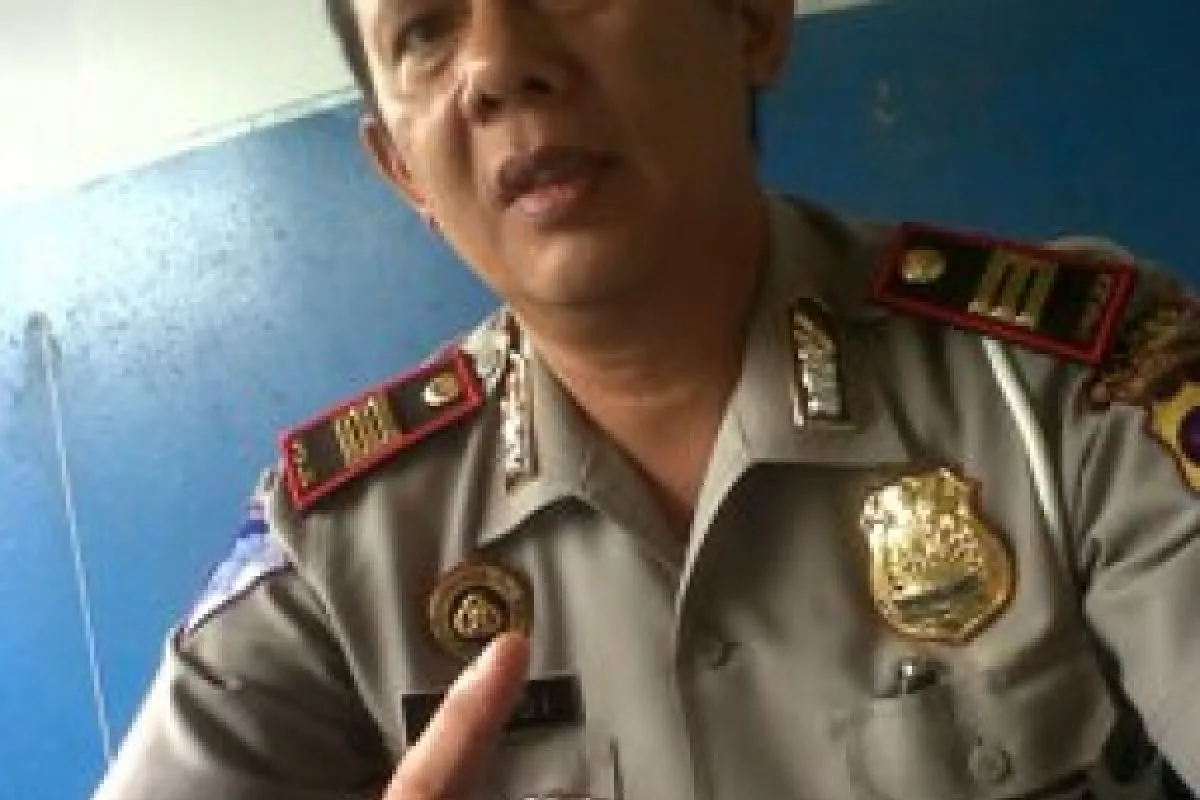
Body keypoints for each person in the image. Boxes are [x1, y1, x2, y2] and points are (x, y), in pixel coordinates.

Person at [94, 0, 1200, 798]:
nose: (499, 65)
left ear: (753, 22)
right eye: (425, 29)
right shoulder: (344, 543)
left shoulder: (1077, 380)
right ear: (402, 172)